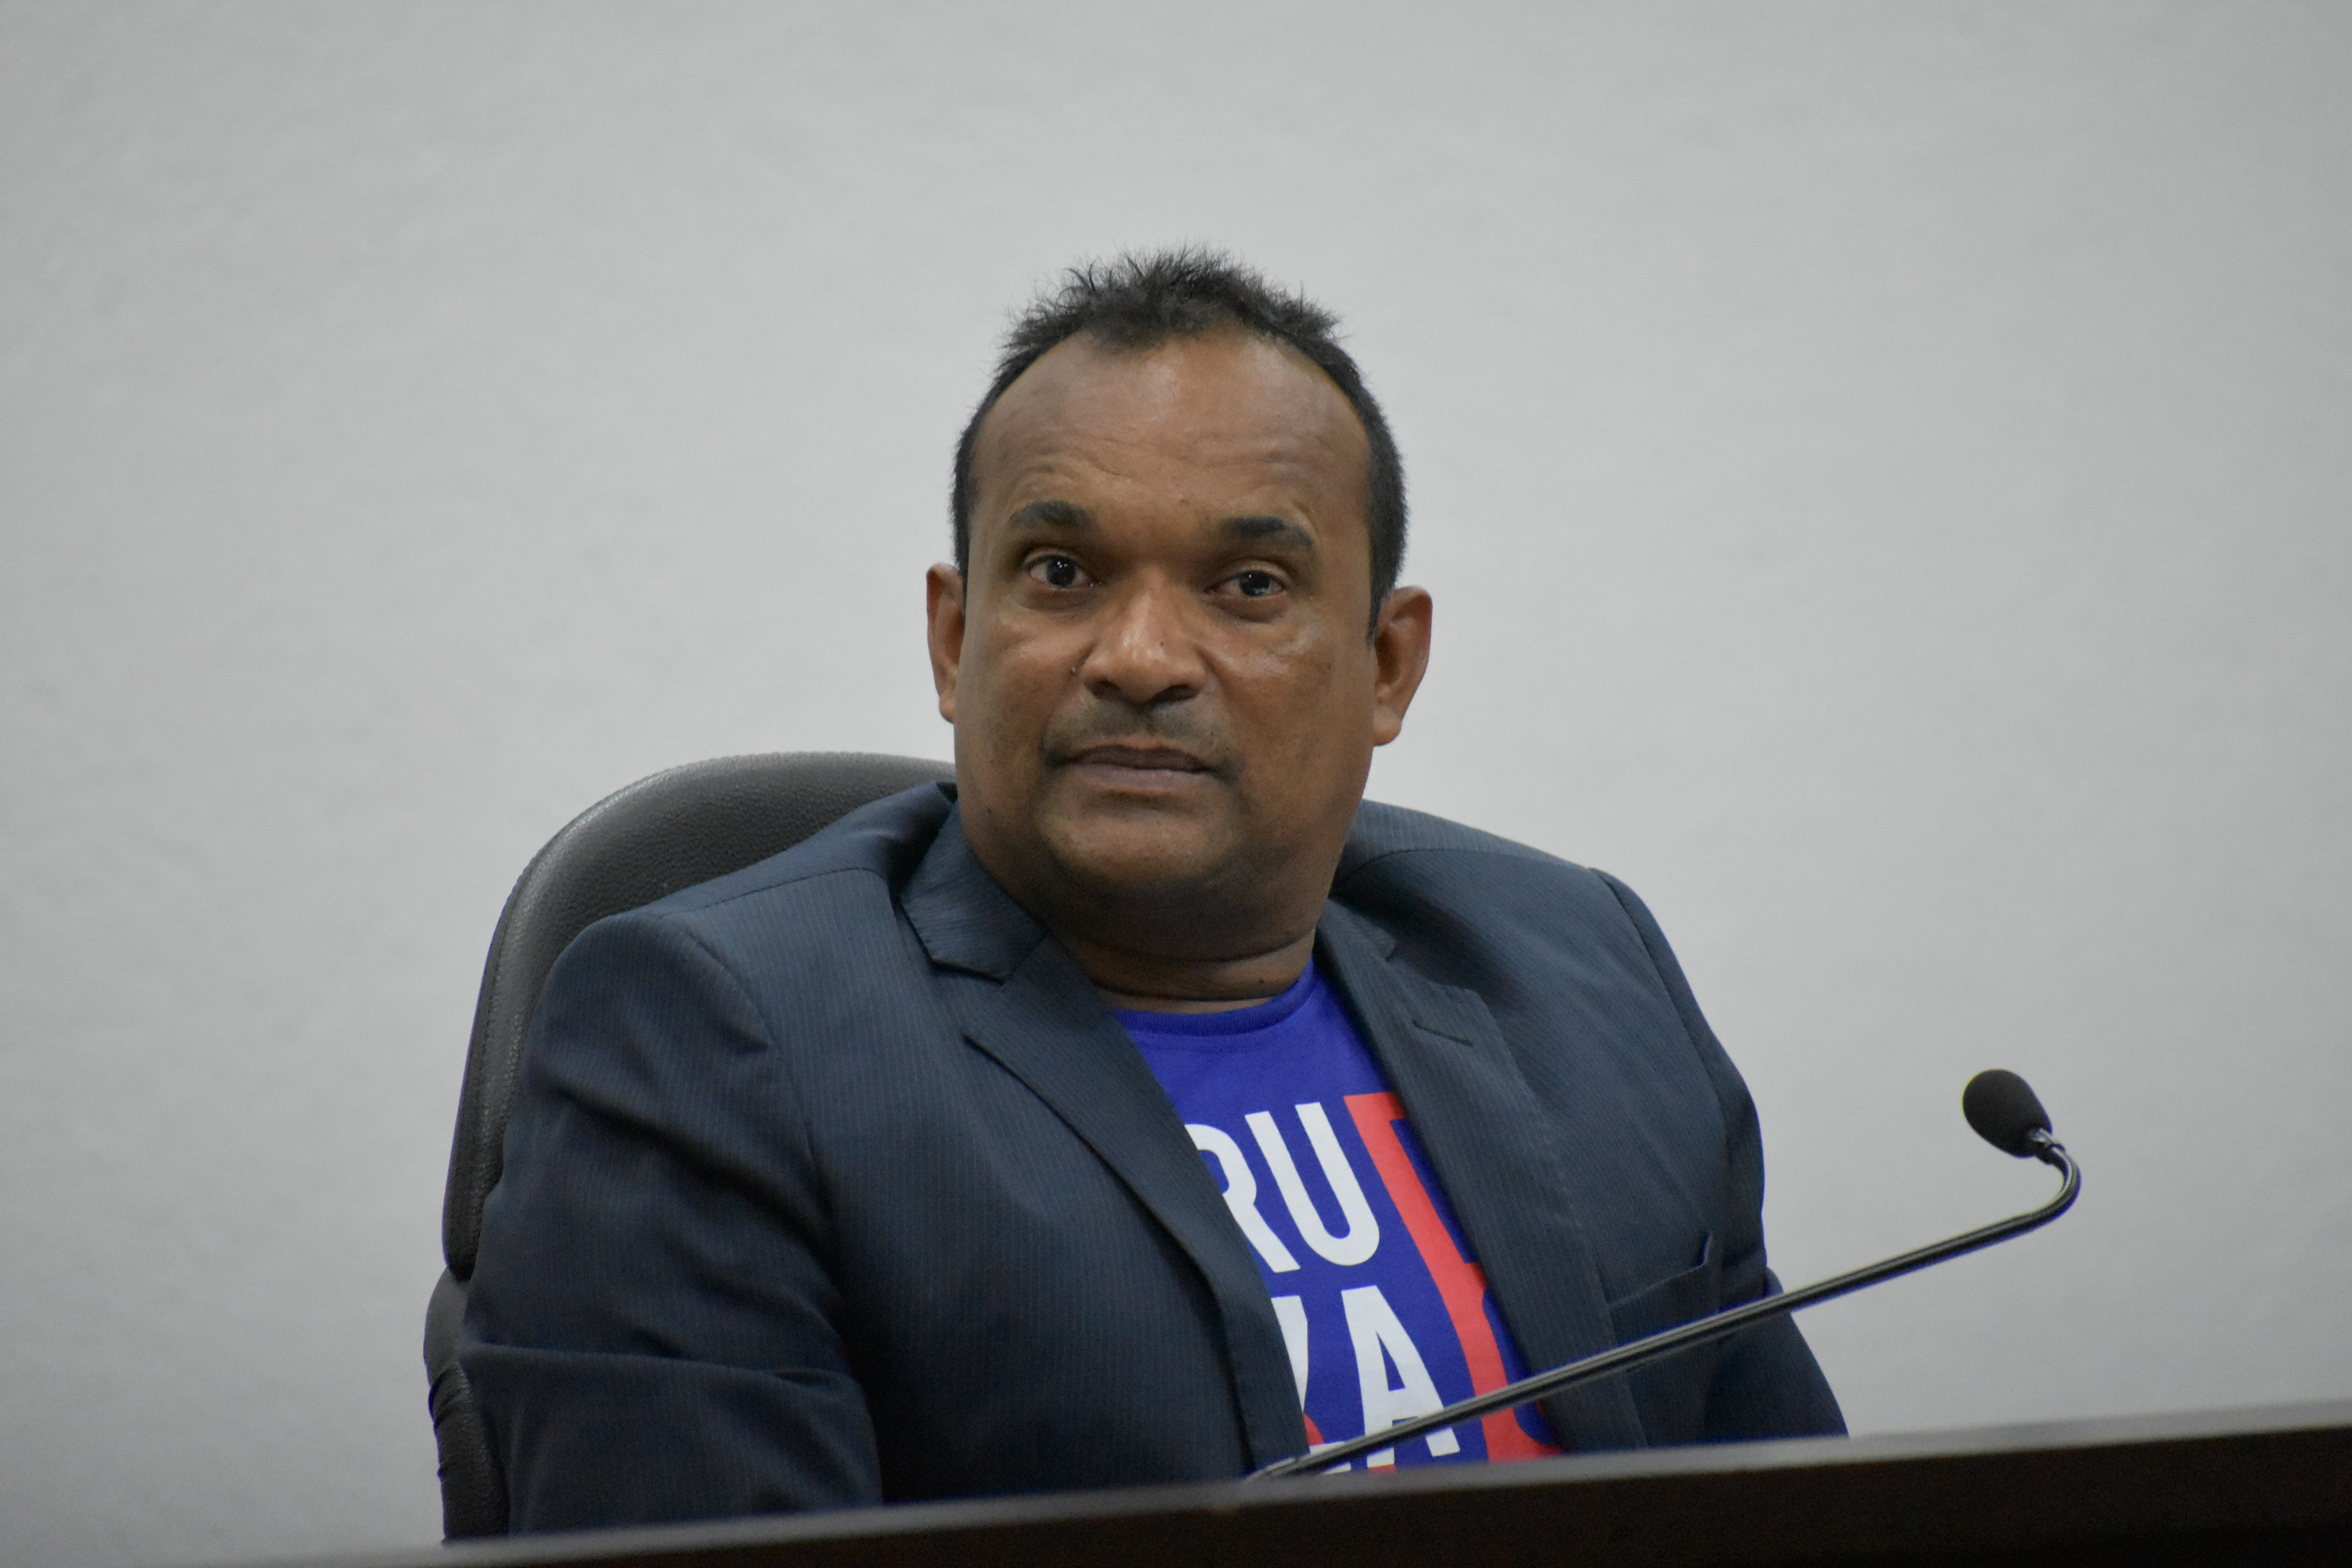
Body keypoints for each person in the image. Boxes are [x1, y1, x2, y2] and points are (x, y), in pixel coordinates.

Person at [459, 250, 1843, 1531]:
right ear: (954, 639)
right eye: (1061, 573)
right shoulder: (713, 1044)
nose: (1138, 657)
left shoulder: (1580, 968)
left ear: (1387, 668)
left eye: (1250, 585)